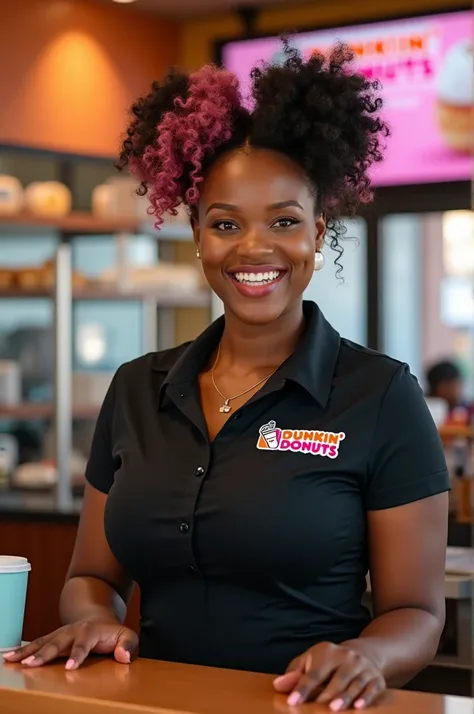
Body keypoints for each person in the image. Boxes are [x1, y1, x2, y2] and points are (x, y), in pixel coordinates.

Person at [4, 42, 449, 711]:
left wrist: (364, 656)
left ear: (318, 233)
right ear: (198, 235)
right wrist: (95, 615)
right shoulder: (134, 389)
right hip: (145, 702)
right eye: (225, 223)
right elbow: (92, 575)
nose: (254, 247)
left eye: (284, 222)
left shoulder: (380, 396)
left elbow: (416, 612)